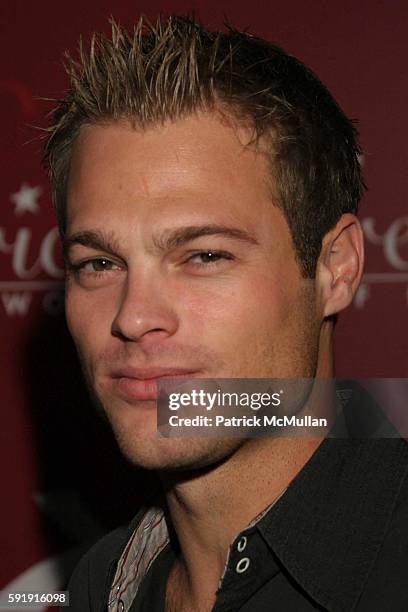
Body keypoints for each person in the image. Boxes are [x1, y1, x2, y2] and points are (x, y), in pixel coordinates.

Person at [43, 15, 408, 612]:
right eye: (99, 264)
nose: (133, 318)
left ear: (335, 268)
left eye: (205, 255)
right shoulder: (101, 586)